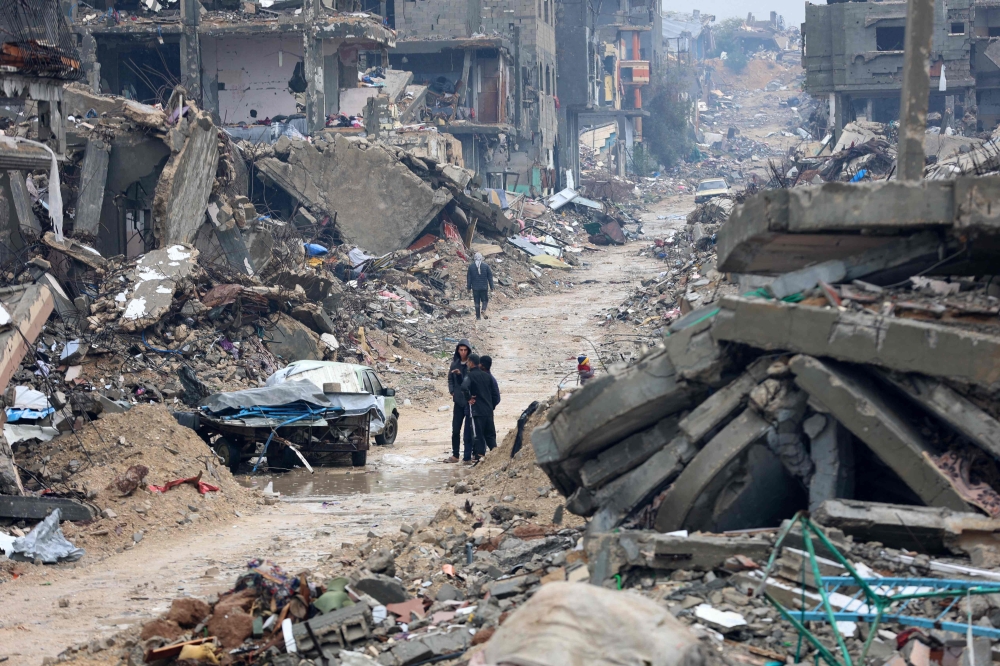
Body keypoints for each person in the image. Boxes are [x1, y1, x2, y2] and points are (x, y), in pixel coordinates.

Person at [461, 353, 500, 461]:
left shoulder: (470, 376)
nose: (467, 364)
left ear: (471, 362)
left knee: (478, 436)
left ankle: (480, 458)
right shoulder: (488, 377)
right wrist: (490, 405)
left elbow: (464, 387)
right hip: (488, 411)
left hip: (477, 411)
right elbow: (495, 395)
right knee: (490, 435)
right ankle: (495, 457)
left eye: (468, 362)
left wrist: (469, 398)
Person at [446, 339, 473, 463]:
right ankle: (455, 454)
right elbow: (450, 379)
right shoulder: (454, 364)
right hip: (458, 401)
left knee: (469, 430)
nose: (462, 352)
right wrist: (452, 390)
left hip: (469, 402)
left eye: (465, 350)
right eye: (460, 350)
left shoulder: (471, 365)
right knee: (455, 429)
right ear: (457, 350)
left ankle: (470, 454)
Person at [480, 355, 501, 453]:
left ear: (483, 366)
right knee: (488, 435)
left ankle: (489, 455)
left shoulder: (488, 379)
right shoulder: (490, 378)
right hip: (487, 410)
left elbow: (496, 397)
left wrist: (489, 406)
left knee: (486, 434)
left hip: (484, 411)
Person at [466, 252, 494, 320]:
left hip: (475, 288)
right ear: (481, 258)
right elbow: (490, 277)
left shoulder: (471, 267)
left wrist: (469, 288)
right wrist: (492, 286)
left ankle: (478, 317)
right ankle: (483, 310)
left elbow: (469, 278)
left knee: (477, 302)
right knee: (485, 300)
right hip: (484, 287)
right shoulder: (486, 266)